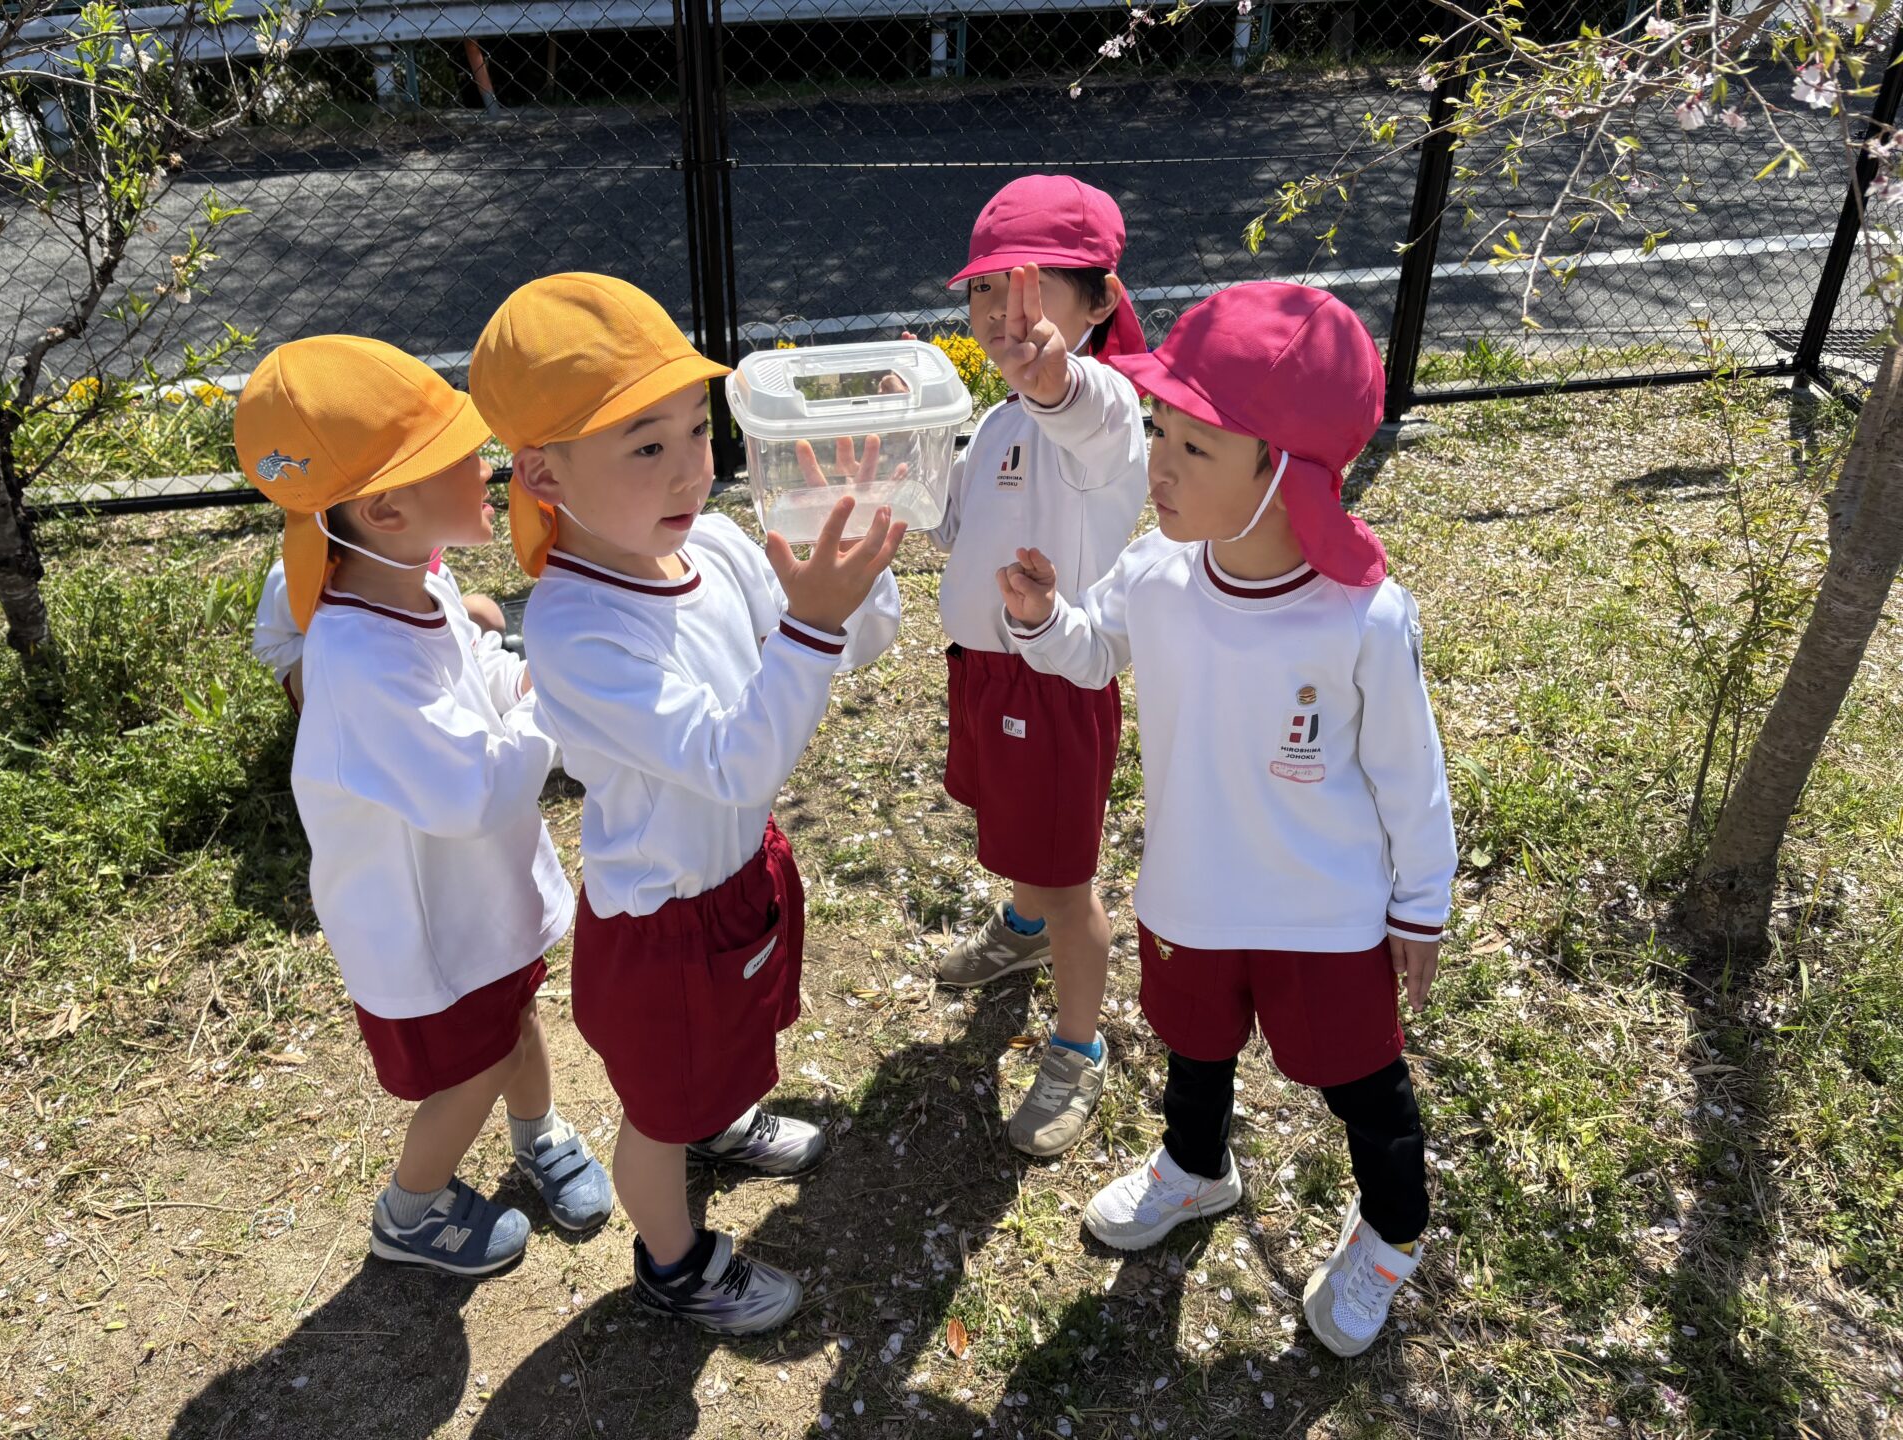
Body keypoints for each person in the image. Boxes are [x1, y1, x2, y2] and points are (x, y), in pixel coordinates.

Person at [996, 282, 1456, 1358]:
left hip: (1324, 916)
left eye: (1194, 448)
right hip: (1191, 894)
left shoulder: (1361, 617)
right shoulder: (1157, 573)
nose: (1157, 465)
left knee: (1363, 1083)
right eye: (1159, 430)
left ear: (1283, 472)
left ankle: (1394, 1229)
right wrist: (1042, 620)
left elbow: (1411, 774)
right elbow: (1093, 650)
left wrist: (1421, 905)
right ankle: (1196, 1168)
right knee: (1193, 1046)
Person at [469, 273, 904, 1334]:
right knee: (656, 1114)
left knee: (727, 1052)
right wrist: (811, 625)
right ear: (545, 474)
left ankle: (720, 1120)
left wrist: (851, 560)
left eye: (697, 429)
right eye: (645, 445)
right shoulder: (575, 627)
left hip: (738, 872)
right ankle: (673, 1263)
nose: (691, 466)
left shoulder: (707, 547)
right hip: (663, 923)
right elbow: (732, 760)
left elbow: (850, 646)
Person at [239, 335, 612, 1276]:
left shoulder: (418, 581)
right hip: (426, 925)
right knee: (474, 1064)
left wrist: (526, 680)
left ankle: (538, 1132)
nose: (486, 466)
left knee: (516, 1013)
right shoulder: (359, 658)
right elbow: (469, 791)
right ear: (385, 508)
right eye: (460, 454)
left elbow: (478, 670)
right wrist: (555, 708)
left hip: (472, 896)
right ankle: (410, 1210)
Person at [928, 176, 1151, 1160]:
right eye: (983, 289)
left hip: (1056, 683)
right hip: (985, 673)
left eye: (1027, 289)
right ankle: (1021, 931)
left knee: (1068, 882)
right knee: (1015, 831)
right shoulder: (998, 420)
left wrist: (1055, 380)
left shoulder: (1103, 410)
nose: (997, 312)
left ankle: (1076, 1044)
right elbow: (955, 524)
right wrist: (898, 464)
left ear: (1099, 301)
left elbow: (1088, 411)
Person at [250, 553, 507, 712]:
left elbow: (455, 636)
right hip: (342, 687)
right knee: (317, 664)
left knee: (484, 613)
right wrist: (335, 645)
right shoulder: (296, 575)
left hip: (418, 677)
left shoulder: (428, 565)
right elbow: (268, 647)